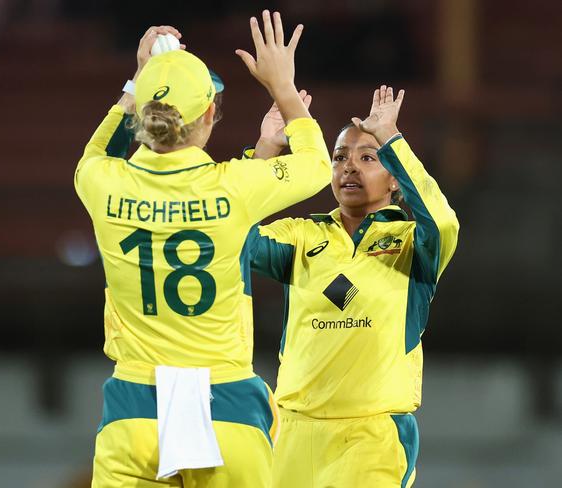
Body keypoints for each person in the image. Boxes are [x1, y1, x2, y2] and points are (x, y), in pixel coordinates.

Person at [74, 10, 332, 488]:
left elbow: (97, 155)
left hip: (136, 408)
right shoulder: (234, 188)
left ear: (144, 114)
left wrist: (138, 78)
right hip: (227, 407)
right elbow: (318, 166)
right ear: (210, 112)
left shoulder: (101, 185)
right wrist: (284, 89)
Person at [248, 85, 460, 487]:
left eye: (368, 158)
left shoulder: (414, 242)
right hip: (294, 430)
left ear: (394, 179)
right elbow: (230, 237)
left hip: (372, 435)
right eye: (339, 158)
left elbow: (444, 220)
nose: (350, 168)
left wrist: (392, 141)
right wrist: (264, 150)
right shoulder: (300, 236)